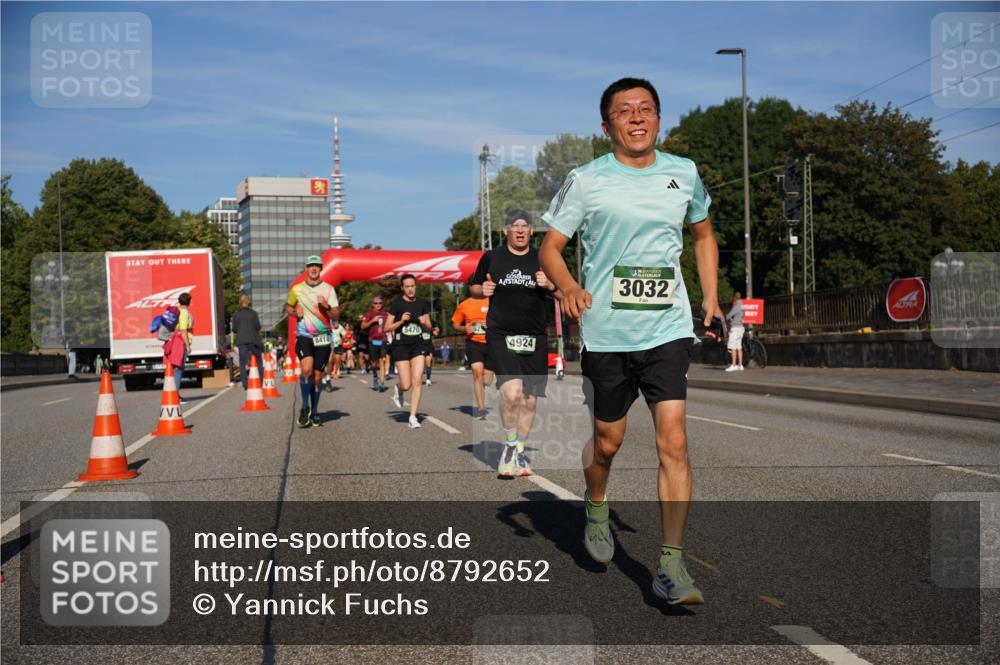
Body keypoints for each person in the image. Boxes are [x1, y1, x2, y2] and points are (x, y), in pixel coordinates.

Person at [539, 77, 721, 606]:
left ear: (659, 120)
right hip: (607, 333)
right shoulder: (586, 180)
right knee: (608, 442)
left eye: (646, 109)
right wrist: (570, 286)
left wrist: (709, 298)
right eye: (624, 111)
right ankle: (597, 506)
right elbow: (552, 247)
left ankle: (670, 565)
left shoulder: (683, 173)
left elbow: (704, 234)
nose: (636, 118)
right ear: (607, 125)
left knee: (675, 442)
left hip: (666, 328)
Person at [471, 210, 558, 477]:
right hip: (501, 334)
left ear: (532, 231)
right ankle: (510, 447)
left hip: (535, 336)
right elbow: (473, 287)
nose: (520, 230)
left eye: (525, 226)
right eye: (514, 226)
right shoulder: (493, 257)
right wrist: (481, 291)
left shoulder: (543, 257)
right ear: (505, 230)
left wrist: (549, 283)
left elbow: (563, 288)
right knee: (511, 393)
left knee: (530, 402)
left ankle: (519, 452)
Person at [286, 256, 340, 428]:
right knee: (306, 369)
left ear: (321, 268)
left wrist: (326, 307)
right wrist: (295, 312)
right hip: (304, 337)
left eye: (317, 266)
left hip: (323, 338)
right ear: (306, 269)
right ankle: (304, 407)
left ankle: (315, 411)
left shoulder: (329, 289)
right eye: (311, 266)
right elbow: (287, 307)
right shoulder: (297, 289)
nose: (314, 269)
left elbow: (336, 315)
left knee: (317, 378)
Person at [384, 275, 431, 428]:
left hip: (418, 345)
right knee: (407, 384)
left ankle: (412, 417)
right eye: (407, 286)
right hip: (401, 346)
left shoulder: (423, 303)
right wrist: (401, 321)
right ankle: (399, 388)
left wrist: (426, 323)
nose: (411, 289)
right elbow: (386, 328)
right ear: (402, 288)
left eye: (413, 286)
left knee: (417, 380)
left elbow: (429, 326)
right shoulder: (396, 304)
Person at [451, 291, 494, 419]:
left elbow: (505, 317)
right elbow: (455, 324)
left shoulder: (492, 300)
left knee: (487, 380)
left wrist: (493, 323)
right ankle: (481, 408)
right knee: (477, 372)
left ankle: (481, 389)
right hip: (473, 343)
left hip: (491, 343)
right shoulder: (464, 305)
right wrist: (465, 328)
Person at [231, 294, 263, 390]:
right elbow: (258, 327)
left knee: (242, 363)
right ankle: (260, 382)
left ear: (240, 303)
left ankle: (246, 384)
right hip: (253, 340)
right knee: (259, 362)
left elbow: (234, 329)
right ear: (248, 302)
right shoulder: (253, 313)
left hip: (242, 341)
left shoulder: (236, 314)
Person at [361, 296, 389, 391]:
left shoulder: (385, 314)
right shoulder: (369, 313)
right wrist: (372, 321)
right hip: (373, 340)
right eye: (376, 303)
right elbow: (363, 326)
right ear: (373, 304)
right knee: (374, 363)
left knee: (383, 361)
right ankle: (375, 377)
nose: (378, 305)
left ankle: (381, 383)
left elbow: (390, 324)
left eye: (380, 303)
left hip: (383, 340)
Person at [174, 291, 194, 404]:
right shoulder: (184, 313)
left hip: (176, 342)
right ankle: (175, 396)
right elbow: (183, 330)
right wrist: (187, 345)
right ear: (189, 302)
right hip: (181, 343)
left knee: (176, 369)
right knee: (178, 369)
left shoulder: (179, 310)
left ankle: (175, 394)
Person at [323, 319, 348, 388]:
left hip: (337, 345)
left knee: (338, 359)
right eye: (334, 322)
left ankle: (335, 372)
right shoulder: (326, 326)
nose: (336, 324)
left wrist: (342, 340)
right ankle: (329, 373)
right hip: (329, 344)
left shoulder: (340, 327)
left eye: (337, 322)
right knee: (330, 361)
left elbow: (345, 335)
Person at [725, 292, 745, 371]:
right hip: (741, 327)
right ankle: (740, 365)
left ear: (735, 298)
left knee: (732, 346)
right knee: (739, 347)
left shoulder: (737, 305)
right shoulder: (743, 305)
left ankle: (733, 365)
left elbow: (729, 315)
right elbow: (743, 315)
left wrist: (727, 317)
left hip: (735, 328)